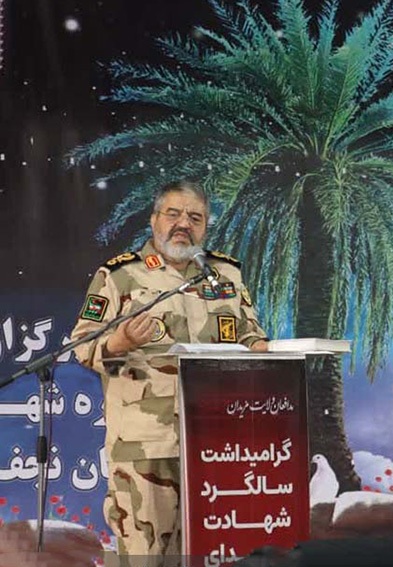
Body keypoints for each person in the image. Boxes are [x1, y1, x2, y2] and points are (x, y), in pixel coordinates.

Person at [70, 180, 268, 565]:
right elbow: (81, 346)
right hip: (146, 445)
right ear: (154, 220)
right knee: (144, 558)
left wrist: (262, 350)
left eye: (195, 218)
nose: (183, 224)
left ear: (205, 226)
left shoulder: (225, 275)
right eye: (173, 214)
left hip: (214, 445)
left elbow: (250, 334)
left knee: (207, 556)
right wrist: (120, 342)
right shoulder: (120, 275)